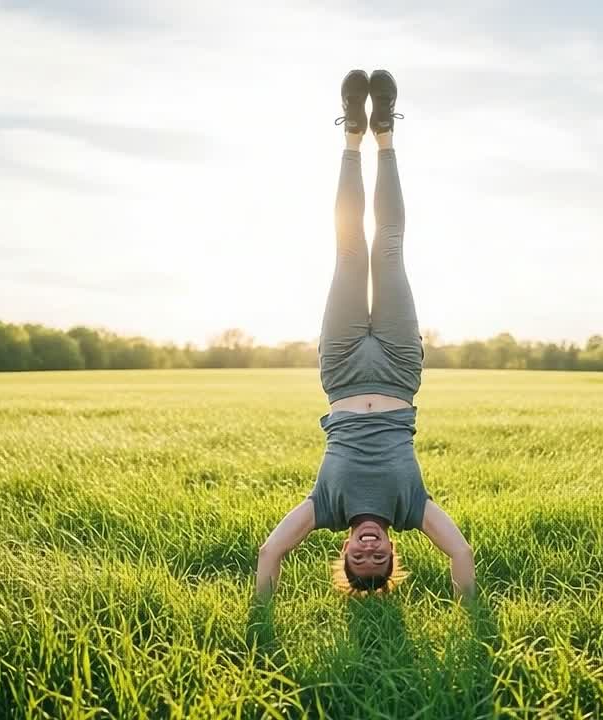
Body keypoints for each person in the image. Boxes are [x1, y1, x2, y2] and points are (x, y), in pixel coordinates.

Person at [255, 69, 475, 601]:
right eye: (380, 561)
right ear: (395, 553)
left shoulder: (326, 509)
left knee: (350, 249)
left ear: (345, 553)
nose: (370, 553)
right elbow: (462, 553)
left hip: (344, 369)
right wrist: (474, 620)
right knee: (391, 247)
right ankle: (386, 136)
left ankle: (352, 135)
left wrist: (258, 619)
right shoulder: (411, 508)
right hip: (400, 370)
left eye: (360, 561)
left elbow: (270, 552)